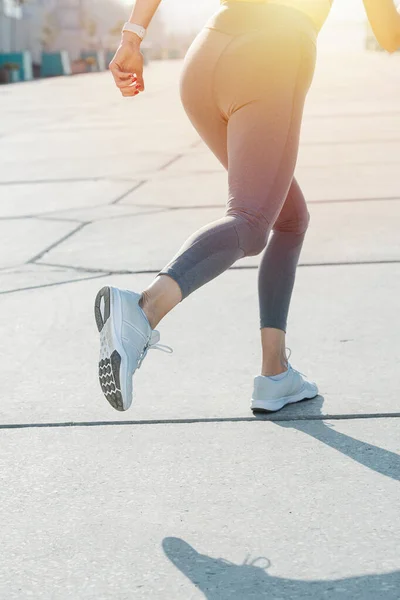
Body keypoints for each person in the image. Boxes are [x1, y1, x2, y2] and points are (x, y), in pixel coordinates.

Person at [95, 0, 400, 413]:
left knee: (290, 218)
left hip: (206, 59)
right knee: (252, 221)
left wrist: (132, 36)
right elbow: (390, 35)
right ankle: (143, 309)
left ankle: (275, 374)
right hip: (271, 56)